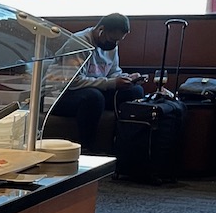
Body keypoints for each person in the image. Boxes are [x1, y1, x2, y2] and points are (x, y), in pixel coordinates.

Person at [48, 12, 144, 151]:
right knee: (93, 97)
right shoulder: (79, 43)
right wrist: (112, 83)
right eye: (112, 40)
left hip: (90, 90)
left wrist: (127, 78)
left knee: (134, 91)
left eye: (118, 41)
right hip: (58, 94)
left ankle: (126, 148)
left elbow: (112, 73)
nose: (115, 44)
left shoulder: (110, 46)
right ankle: (88, 149)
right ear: (101, 30)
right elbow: (73, 81)